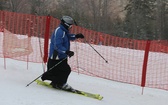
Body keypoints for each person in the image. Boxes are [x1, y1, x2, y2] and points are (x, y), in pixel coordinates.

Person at [41, 16, 84, 90]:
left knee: (60, 71)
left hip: (62, 55)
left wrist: (76, 36)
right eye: (70, 26)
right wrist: (66, 51)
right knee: (65, 70)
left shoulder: (64, 31)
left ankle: (56, 82)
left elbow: (68, 36)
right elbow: (57, 46)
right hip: (56, 56)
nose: (71, 27)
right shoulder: (59, 31)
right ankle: (60, 83)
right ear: (66, 25)